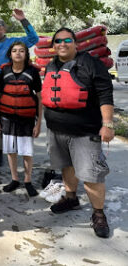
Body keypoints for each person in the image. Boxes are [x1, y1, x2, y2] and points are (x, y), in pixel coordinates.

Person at [41, 27, 114, 238]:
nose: (61, 44)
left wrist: (107, 124)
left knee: (92, 174)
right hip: (56, 130)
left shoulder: (91, 64)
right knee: (67, 166)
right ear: (53, 45)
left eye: (66, 40)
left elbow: (105, 94)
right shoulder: (51, 65)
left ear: (76, 43)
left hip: (85, 132)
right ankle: (71, 197)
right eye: (57, 41)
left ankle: (98, 213)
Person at [0, 42, 42, 196]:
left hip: (26, 118)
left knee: (27, 152)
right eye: (14, 51)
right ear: (10, 54)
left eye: (21, 51)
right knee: (10, 150)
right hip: (6, 117)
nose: (18, 53)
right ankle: (14, 179)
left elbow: (40, 99)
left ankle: (27, 180)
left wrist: (39, 123)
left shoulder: (32, 72)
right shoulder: (5, 71)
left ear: (26, 54)